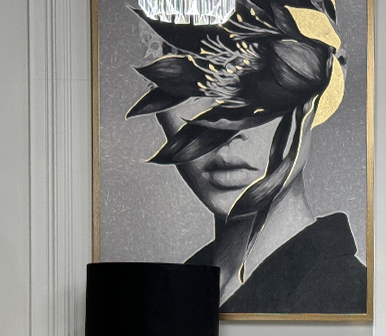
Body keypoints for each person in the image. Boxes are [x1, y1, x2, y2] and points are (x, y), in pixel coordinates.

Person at [128, 0, 367, 315]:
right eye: (192, 81)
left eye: (266, 77)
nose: (225, 128)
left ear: (332, 75)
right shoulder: (177, 300)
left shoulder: (347, 300)